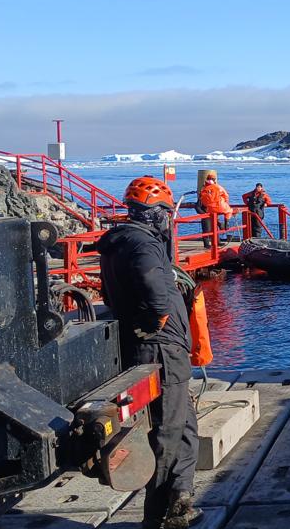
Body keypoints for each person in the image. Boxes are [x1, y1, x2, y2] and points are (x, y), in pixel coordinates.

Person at [96, 176, 201, 529]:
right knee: (168, 432)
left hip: (154, 346)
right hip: (161, 349)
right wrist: (156, 321)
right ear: (156, 214)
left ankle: (180, 498)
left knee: (184, 423)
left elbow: (111, 296)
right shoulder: (143, 245)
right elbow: (155, 289)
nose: (169, 220)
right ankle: (157, 517)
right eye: (166, 214)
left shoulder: (118, 244)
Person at [197, 174, 232, 248]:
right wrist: (225, 202)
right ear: (214, 180)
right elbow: (226, 196)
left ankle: (216, 242)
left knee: (213, 227)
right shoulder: (218, 187)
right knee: (208, 229)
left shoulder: (203, 189)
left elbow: (200, 202)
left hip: (209, 210)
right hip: (209, 211)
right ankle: (227, 222)